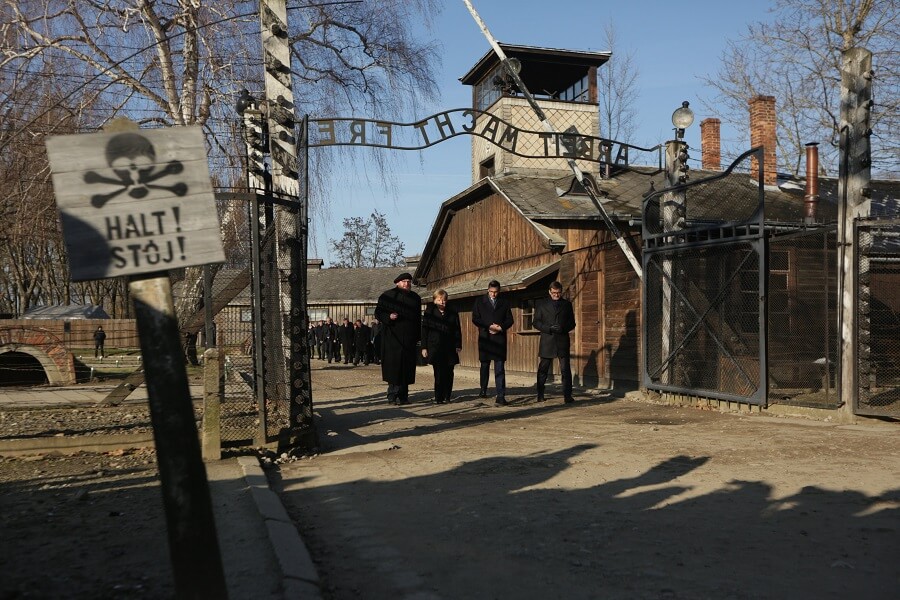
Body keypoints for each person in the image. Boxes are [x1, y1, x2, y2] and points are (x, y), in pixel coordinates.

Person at [374, 272, 422, 405]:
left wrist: (418, 337)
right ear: (397, 283)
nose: (407, 284)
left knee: (406, 368)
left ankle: (404, 396)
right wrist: (388, 316)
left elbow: (418, 319)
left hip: (409, 339)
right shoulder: (387, 296)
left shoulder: (415, 298)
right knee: (393, 367)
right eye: (404, 281)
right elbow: (378, 312)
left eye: (408, 282)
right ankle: (392, 395)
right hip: (392, 338)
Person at [534, 281, 577, 403]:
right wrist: (548, 328)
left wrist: (563, 328)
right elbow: (536, 322)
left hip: (562, 341)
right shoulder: (541, 304)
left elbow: (572, 323)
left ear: (561, 292)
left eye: (558, 293)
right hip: (547, 340)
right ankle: (540, 394)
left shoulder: (567, 305)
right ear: (549, 292)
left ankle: (567, 396)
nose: (556, 295)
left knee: (565, 370)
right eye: (554, 293)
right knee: (543, 369)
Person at [472, 280, 514, 406]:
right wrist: (489, 326)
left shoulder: (504, 302)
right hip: (485, 337)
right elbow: (475, 318)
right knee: (485, 365)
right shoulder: (479, 301)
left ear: (499, 291)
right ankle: (483, 389)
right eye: (491, 292)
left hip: (499, 338)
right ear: (488, 290)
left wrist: (501, 327)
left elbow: (510, 320)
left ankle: (501, 395)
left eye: (495, 292)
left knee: (499, 367)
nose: (493, 294)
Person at [421, 289, 462, 404]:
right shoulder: (429, 313)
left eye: (444, 300)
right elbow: (424, 331)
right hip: (435, 347)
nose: (442, 302)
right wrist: (424, 347)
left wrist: (458, 344)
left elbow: (457, 330)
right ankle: (438, 397)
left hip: (450, 347)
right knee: (438, 373)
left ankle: (447, 396)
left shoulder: (453, 312)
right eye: (439, 300)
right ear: (434, 300)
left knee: (449, 372)